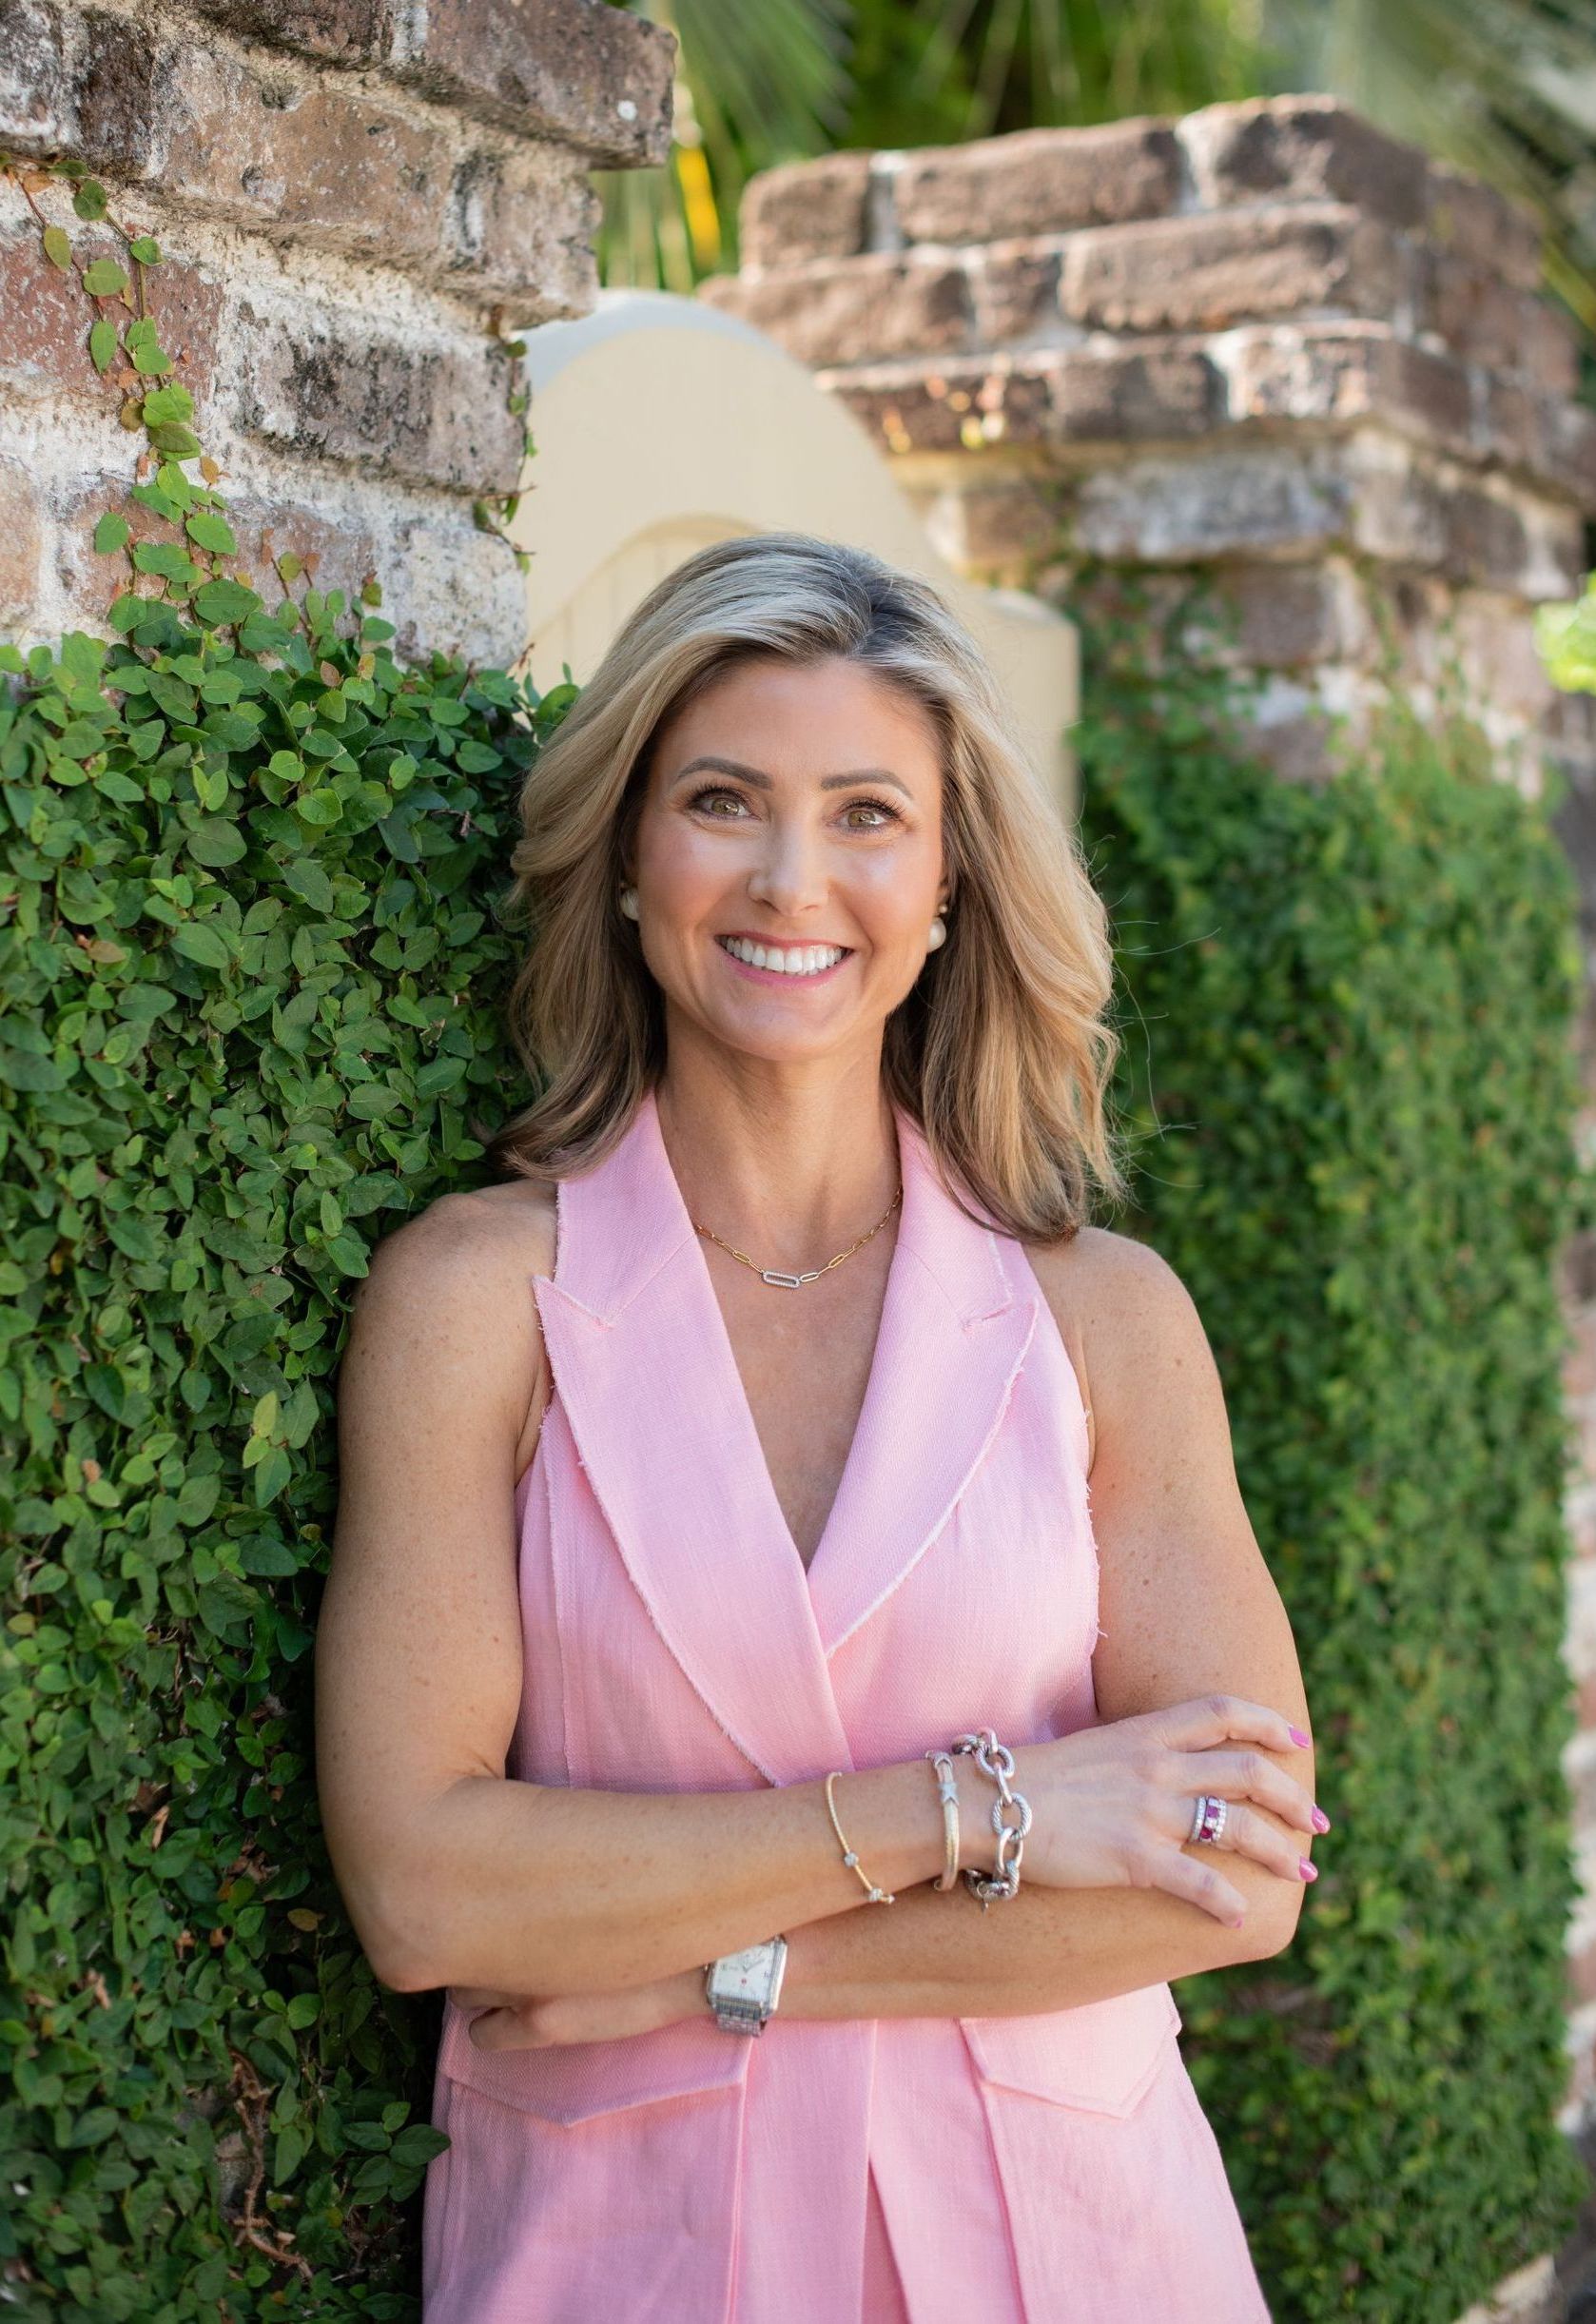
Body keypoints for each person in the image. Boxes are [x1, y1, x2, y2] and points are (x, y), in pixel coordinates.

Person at [316, 532, 1324, 2322]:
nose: (793, 879)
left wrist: (739, 1969)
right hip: (620, 2258)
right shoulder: (476, 1303)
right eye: (722, 799)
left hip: (1074, 2254)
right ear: (629, 859)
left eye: (867, 813)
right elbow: (427, 1885)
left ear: (945, 888)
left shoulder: (1104, 1320)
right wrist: (979, 1808)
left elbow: (1235, 1877)